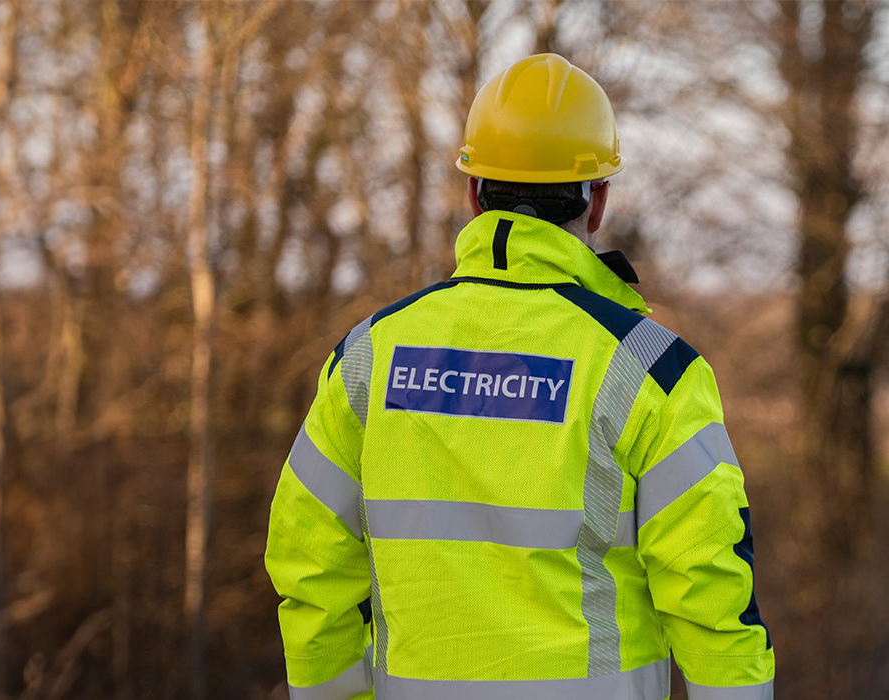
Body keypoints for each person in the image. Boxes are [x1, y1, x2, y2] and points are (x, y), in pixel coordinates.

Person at [264, 53, 775, 700]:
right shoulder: (653, 371)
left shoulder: (369, 357)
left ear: (475, 192)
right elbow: (713, 601)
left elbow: (308, 561)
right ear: (599, 200)